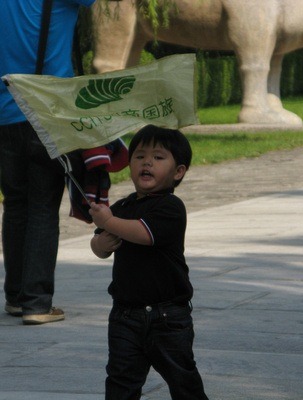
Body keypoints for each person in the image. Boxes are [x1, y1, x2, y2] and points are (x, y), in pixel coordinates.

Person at [89, 125, 209, 400]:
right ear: (129, 165)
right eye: (139, 156)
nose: (147, 162)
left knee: (183, 379)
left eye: (158, 157)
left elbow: (144, 234)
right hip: (124, 315)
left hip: (167, 316)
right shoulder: (122, 207)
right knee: (121, 380)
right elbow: (99, 245)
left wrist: (109, 221)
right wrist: (101, 244)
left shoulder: (170, 207)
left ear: (178, 172)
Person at [0, 0, 97, 325]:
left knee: (15, 204)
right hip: (49, 110)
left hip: (4, 111)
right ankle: (37, 302)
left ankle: (15, 297)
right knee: (42, 206)